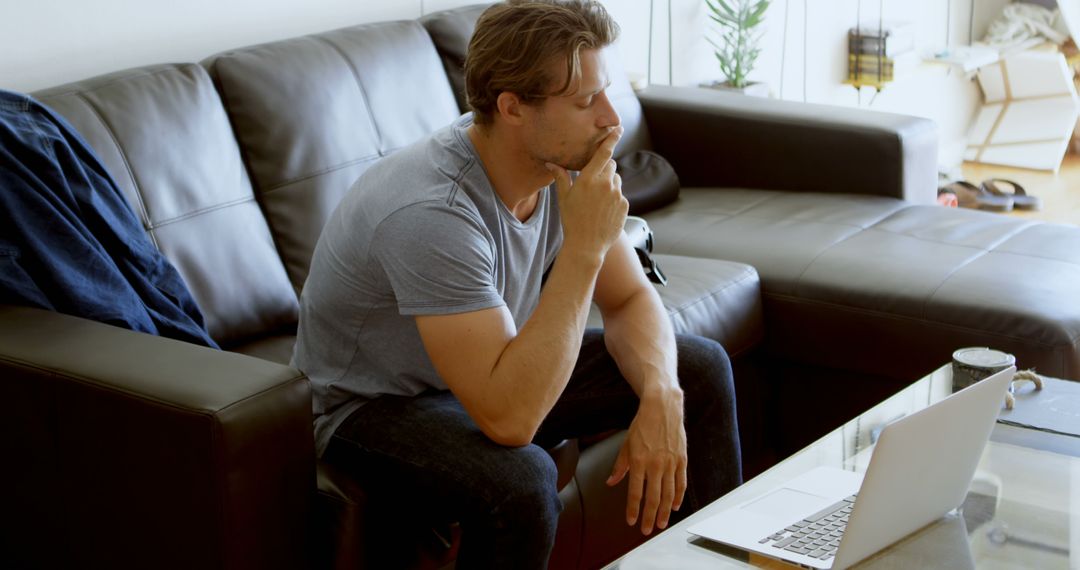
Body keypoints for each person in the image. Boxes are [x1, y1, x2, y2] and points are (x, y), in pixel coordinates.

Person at [292, 1, 742, 566]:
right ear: (512, 108)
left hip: (480, 372)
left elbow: (629, 298)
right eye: (585, 102)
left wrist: (661, 394)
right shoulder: (433, 211)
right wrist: (582, 248)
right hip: (368, 406)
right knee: (521, 480)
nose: (612, 118)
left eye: (606, 92)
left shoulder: (566, 160)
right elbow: (510, 420)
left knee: (695, 370)